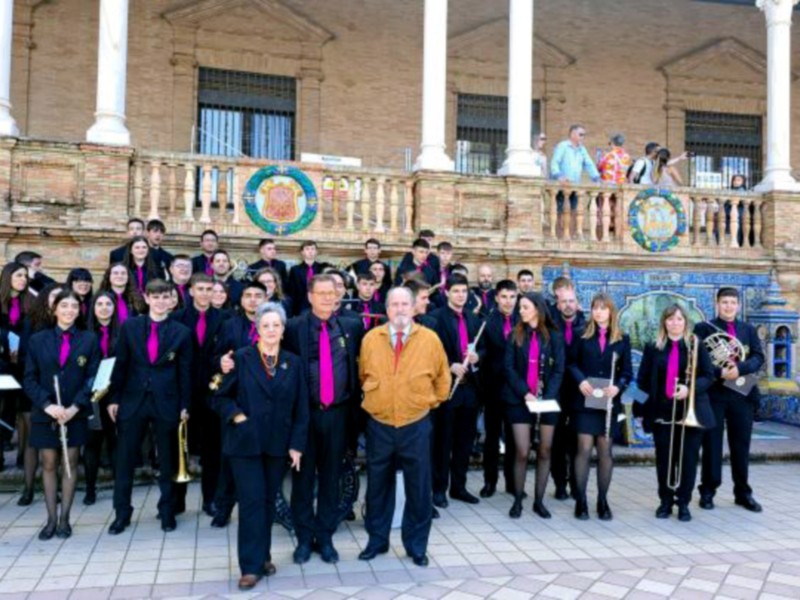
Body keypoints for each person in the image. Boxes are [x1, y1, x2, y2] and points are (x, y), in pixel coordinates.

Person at [211, 302, 309, 589]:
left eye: (275, 325)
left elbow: (301, 408)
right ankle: (250, 567)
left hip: (278, 445)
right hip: (245, 444)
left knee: (268, 502)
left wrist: (296, 446)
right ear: (256, 328)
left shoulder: (293, 362)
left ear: (282, 329)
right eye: (265, 325)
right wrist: (237, 416)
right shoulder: (240, 358)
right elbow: (218, 398)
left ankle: (263, 555)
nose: (270, 330)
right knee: (252, 502)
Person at [358, 286, 451, 568]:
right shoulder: (371, 339)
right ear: (386, 309)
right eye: (394, 304)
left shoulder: (430, 339)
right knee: (377, 486)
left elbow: (443, 380)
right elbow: (363, 374)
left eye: (404, 304)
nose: (399, 309)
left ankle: (416, 545)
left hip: (416, 424)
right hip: (380, 423)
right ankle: (377, 540)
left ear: (413, 309)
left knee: (419, 487)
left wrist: (426, 402)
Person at [283, 274, 364, 565]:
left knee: (332, 478)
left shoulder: (352, 326)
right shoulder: (293, 328)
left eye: (332, 292)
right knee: (302, 479)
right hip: (304, 416)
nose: (328, 298)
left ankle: (325, 537)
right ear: (310, 296)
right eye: (322, 293)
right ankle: (304, 539)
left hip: (339, 415)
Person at [107, 280, 193, 535]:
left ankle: (167, 511)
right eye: (155, 297)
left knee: (167, 461)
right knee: (124, 461)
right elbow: (120, 364)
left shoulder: (182, 333)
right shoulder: (130, 327)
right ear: (146, 298)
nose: (160, 301)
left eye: (165, 297)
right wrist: (114, 398)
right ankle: (122, 513)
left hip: (167, 403)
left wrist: (185, 405)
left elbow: (185, 372)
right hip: (133, 402)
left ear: (172, 300)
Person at [24, 290, 101, 540]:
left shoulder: (89, 339)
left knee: (70, 462)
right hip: (45, 411)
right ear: (54, 309)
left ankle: (65, 519)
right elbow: (29, 378)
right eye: (64, 305)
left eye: (74, 306)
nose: (69, 310)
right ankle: (50, 519)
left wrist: (74, 408)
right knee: (48, 463)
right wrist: (47, 405)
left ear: (79, 311)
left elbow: (92, 378)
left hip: (74, 412)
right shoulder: (37, 340)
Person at [637, 304, 716, 522]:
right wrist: (639, 410)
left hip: (690, 412)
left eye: (679, 319)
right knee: (664, 460)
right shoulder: (653, 347)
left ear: (686, 322)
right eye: (670, 319)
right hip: (662, 411)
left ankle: (683, 503)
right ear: (664, 322)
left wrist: (689, 389)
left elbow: (709, 376)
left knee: (688, 460)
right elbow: (642, 380)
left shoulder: (695, 345)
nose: (675, 323)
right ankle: (665, 501)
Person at [695, 287, 765, 513]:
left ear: (738, 305)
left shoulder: (748, 329)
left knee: (741, 446)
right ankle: (707, 491)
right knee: (711, 445)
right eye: (724, 302)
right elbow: (698, 359)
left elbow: (758, 357)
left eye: (732, 302)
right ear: (717, 304)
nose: (728, 306)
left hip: (741, 395)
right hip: (714, 394)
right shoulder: (703, 328)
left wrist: (740, 368)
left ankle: (742, 493)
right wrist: (719, 372)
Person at [567, 293, 632, 521]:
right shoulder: (580, 334)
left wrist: (618, 387)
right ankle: (581, 500)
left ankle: (602, 500)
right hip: (585, 400)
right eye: (595, 308)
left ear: (611, 312)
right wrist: (581, 380)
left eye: (603, 308)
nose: (598, 312)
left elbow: (627, 372)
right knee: (583, 450)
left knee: (605, 452)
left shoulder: (622, 338)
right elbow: (570, 362)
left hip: (607, 403)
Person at [212, 280, 269, 527]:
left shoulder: (273, 324)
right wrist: (220, 362)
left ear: (266, 298)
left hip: (265, 400)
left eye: (258, 295)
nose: (253, 300)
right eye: (248, 295)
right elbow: (216, 356)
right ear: (241, 299)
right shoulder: (229, 325)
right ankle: (223, 508)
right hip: (235, 398)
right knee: (229, 457)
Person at [504, 292, 565, 519]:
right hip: (519, 400)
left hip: (547, 401)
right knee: (521, 451)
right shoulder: (514, 334)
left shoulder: (555, 337)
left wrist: (546, 398)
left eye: (525, 307)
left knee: (545, 450)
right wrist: (526, 394)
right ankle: (518, 499)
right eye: (520, 307)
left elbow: (559, 370)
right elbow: (508, 368)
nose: (520, 311)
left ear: (537, 309)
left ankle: (539, 501)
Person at [172, 273, 226, 516]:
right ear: (190, 291)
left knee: (213, 451)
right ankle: (178, 500)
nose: (205, 293)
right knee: (180, 447)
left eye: (209, 289)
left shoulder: (224, 319)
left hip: (213, 394)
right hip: (184, 393)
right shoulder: (177, 318)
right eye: (200, 289)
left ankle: (210, 500)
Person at [430, 273, 484, 508]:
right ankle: (439, 489)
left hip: (469, 390)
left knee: (464, 442)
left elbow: (485, 349)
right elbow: (432, 351)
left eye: (464, 292)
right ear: (446, 293)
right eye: (456, 291)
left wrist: (477, 357)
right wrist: (449, 364)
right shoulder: (435, 318)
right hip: (447, 389)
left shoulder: (474, 320)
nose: (461, 295)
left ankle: (459, 487)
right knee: (443, 442)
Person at [480, 280, 518, 498]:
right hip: (493, 389)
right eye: (504, 297)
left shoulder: (522, 320)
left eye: (512, 297)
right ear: (496, 298)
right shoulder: (487, 322)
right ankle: (489, 482)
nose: (508, 302)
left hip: (515, 391)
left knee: (515, 438)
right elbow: (483, 350)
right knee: (492, 439)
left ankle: (512, 482)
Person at [83, 291, 120, 506]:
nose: (104, 307)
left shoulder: (123, 333)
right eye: (99, 304)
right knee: (92, 443)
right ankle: (89, 489)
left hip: (114, 395)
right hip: (92, 396)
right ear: (93, 308)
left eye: (108, 304)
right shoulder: (84, 333)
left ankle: (118, 486)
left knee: (115, 441)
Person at [0, 262, 35, 490]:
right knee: (3, 410)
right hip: (2, 366)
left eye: (25, 276)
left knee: (25, 412)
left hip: (23, 365)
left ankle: (25, 456)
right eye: (18, 275)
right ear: (8, 277)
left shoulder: (29, 304)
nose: (23, 279)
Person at [550, 277, 585, 500]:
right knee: (556, 439)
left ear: (577, 301)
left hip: (580, 391)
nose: (568, 305)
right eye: (564, 302)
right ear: (558, 303)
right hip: (557, 390)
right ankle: (560, 483)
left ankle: (575, 483)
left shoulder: (587, 325)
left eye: (571, 301)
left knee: (577, 440)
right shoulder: (550, 325)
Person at [551, 125, 600, 217]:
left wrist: (596, 178)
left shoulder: (582, 149)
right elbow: (555, 162)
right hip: (562, 185)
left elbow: (589, 164)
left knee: (574, 212)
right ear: (572, 134)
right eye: (581, 134)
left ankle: (572, 232)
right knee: (560, 213)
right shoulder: (562, 146)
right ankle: (560, 232)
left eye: (584, 135)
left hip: (575, 185)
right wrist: (558, 176)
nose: (583, 137)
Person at [287, 240, 324, 316]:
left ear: (316, 252)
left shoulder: (322, 268)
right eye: (307, 249)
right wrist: (292, 311)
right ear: (302, 252)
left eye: (312, 249)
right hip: (301, 307)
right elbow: (292, 292)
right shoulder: (295, 270)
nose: (310, 251)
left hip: (320, 305)